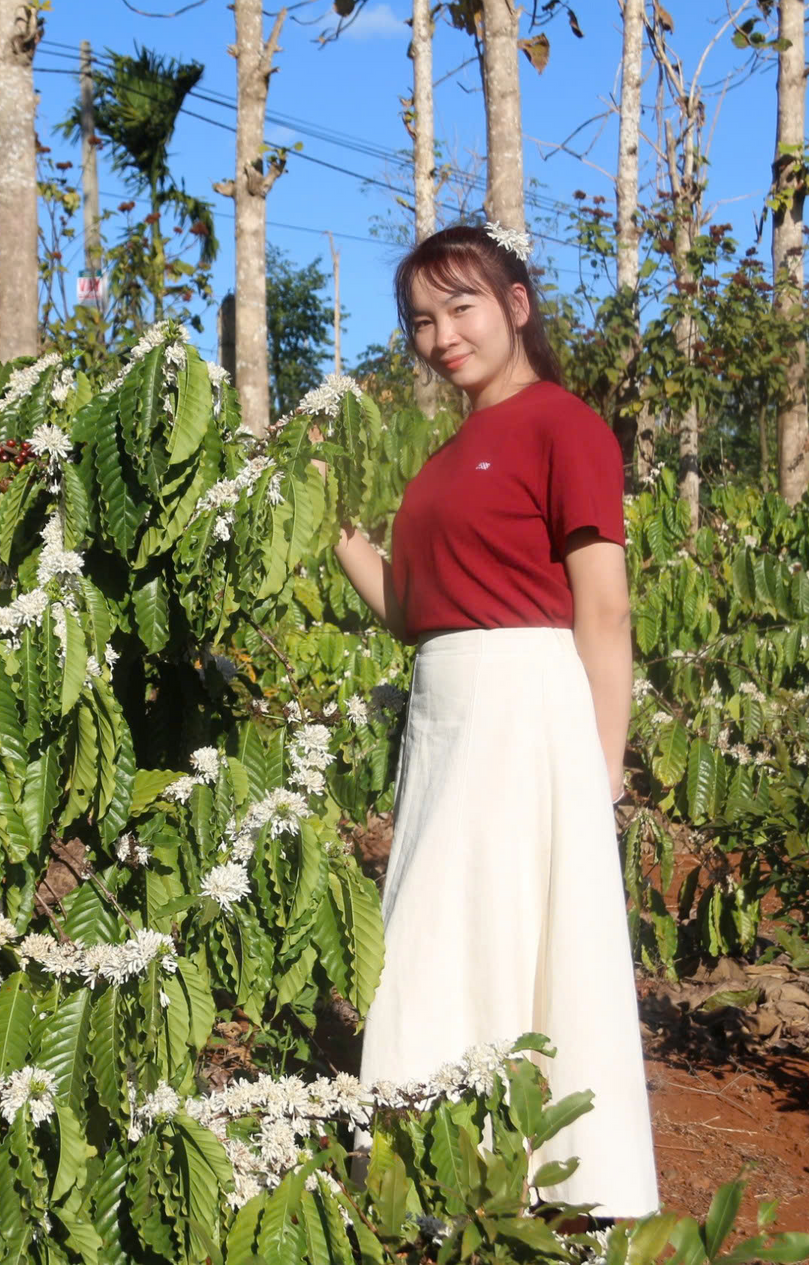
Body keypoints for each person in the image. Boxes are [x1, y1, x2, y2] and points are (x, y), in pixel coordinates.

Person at [326, 222, 660, 1226]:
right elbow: (421, 613)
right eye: (421, 320)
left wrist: (601, 769)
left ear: (517, 303)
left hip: (525, 710)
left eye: (461, 305)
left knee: (488, 935)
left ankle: (541, 1184)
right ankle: (447, 1184)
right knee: (450, 934)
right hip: (446, 707)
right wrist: (334, 531)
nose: (441, 334)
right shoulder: (445, 457)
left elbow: (601, 607)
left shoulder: (564, 425)